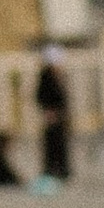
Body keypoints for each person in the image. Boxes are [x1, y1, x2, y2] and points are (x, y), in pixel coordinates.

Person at [35, 47, 74, 184]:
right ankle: (51, 172)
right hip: (52, 118)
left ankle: (62, 172)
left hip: (61, 118)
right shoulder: (46, 76)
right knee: (52, 146)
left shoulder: (59, 76)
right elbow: (40, 97)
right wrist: (48, 112)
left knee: (61, 145)